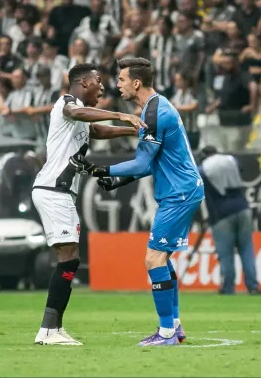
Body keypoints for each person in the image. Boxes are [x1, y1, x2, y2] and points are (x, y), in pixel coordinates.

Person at [77, 57, 205, 346]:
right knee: (162, 259)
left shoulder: (156, 112)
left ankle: (167, 333)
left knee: (153, 258)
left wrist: (101, 169)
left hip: (179, 193)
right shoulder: (154, 108)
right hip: (181, 191)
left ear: (136, 82)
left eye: (121, 80)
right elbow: (148, 165)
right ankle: (174, 327)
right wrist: (117, 180)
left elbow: (140, 162)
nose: (117, 84)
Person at [31, 63, 144, 346]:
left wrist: (131, 130)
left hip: (61, 192)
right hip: (53, 189)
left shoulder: (81, 118)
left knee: (71, 258)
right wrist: (121, 114)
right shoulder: (67, 104)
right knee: (68, 258)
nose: (103, 87)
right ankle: (48, 330)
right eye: (98, 81)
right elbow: (77, 112)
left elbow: (96, 131)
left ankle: (52, 328)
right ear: (83, 82)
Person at [197, 146, 261, 295]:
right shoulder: (231, 159)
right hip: (242, 208)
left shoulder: (203, 169)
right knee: (247, 249)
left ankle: (228, 287)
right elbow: (241, 168)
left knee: (225, 253)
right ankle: (253, 286)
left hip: (221, 213)